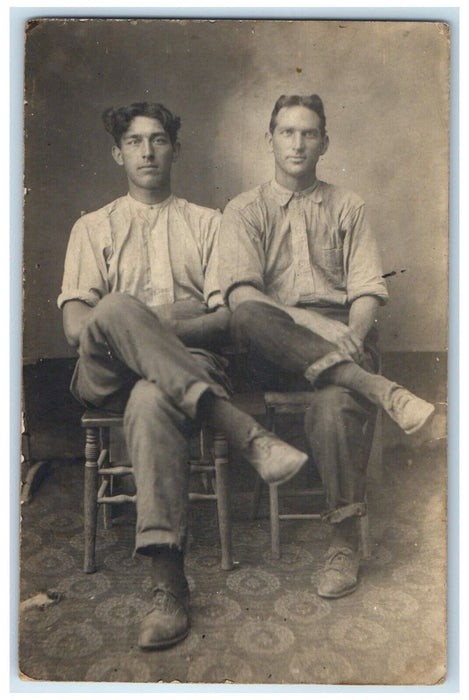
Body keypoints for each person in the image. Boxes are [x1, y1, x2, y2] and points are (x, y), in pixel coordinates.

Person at [57, 101, 308, 650]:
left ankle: (167, 588)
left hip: (183, 368)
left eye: (158, 140)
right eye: (134, 141)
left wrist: (166, 329)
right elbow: (78, 326)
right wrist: (137, 323)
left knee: (152, 397)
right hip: (105, 371)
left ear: (175, 148)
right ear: (116, 152)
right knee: (119, 307)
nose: (147, 151)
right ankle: (242, 430)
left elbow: (229, 322)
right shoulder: (92, 226)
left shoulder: (209, 225)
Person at [219, 93, 435, 599]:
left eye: (309, 133)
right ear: (269, 139)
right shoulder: (244, 209)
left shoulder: (347, 205)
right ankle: (380, 389)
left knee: (335, 403)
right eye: (287, 132)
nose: (298, 143)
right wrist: (304, 318)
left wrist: (353, 336)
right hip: (274, 345)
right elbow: (242, 295)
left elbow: (366, 291)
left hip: (344, 334)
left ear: (324, 142)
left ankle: (342, 544)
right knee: (248, 312)